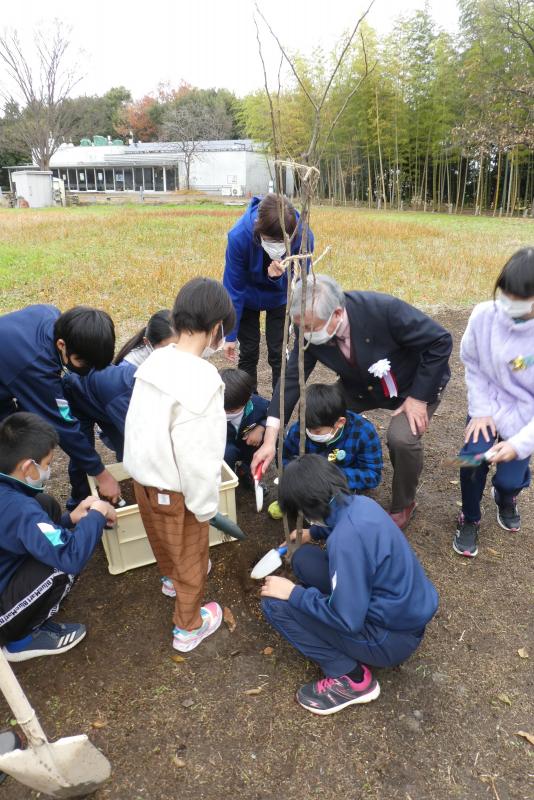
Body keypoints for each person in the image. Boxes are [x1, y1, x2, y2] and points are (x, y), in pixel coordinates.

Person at [252, 274, 452, 529]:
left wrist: (419, 398)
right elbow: (291, 380)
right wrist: (270, 440)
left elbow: (440, 341)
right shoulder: (310, 327)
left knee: (402, 438)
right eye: (301, 328)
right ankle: (320, 480)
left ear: (336, 314)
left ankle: (404, 504)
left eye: (311, 328)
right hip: (359, 387)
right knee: (318, 416)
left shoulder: (383, 310)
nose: (306, 335)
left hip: (413, 386)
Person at [261, 454, 438, 716]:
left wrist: (294, 593)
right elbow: (345, 525)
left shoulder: (345, 542)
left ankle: (351, 678)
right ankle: (332, 615)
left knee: (275, 604)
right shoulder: (363, 504)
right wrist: (313, 533)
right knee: (303, 558)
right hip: (402, 615)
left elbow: (347, 621)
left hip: (388, 639)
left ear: (308, 508)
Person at [124, 278, 236, 653]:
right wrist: (205, 508)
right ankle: (188, 627)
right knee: (193, 557)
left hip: (142, 479)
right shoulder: (203, 382)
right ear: (217, 325)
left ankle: (170, 578)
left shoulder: (157, 359)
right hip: (175, 490)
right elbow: (198, 457)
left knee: (161, 539)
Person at [0, 413, 116, 662]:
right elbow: (69, 555)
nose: (49, 470)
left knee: (45, 505)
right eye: (48, 463)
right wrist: (97, 513)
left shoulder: (9, 494)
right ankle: (21, 640)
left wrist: (69, 520)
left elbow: (32, 528)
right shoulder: (17, 508)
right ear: (28, 467)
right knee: (59, 566)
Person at [453, 248, 534, 558]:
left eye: (520, 298)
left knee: (511, 477)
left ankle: (506, 495)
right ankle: (470, 517)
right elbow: (472, 364)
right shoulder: (483, 315)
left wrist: (519, 444)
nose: (509, 303)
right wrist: (481, 410)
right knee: (473, 460)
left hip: (526, 415)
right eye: (505, 294)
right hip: (487, 404)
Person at [0, 304, 120, 503]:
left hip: (7, 373)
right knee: (12, 443)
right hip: (13, 369)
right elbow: (62, 426)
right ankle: (16, 506)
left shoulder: (52, 316)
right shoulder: (35, 366)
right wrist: (102, 474)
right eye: (83, 363)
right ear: (62, 345)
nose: (86, 370)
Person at [64, 310, 177, 505]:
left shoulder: (142, 378)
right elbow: (138, 437)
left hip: (101, 399)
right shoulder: (125, 388)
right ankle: (81, 501)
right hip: (83, 397)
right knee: (85, 450)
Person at [222, 193, 314, 391]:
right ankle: (248, 404)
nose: (277, 245)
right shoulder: (239, 236)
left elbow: (302, 282)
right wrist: (230, 335)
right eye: (271, 240)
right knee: (248, 351)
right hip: (247, 296)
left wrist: (278, 278)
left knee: (278, 352)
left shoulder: (303, 235)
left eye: (282, 241)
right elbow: (234, 289)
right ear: (258, 227)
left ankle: (277, 409)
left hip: (280, 296)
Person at [282, 382, 383, 492]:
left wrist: (332, 476)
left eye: (317, 431)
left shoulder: (363, 432)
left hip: (345, 488)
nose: (310, 433)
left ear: (340, 422)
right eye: (307, 428)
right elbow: (285, 459)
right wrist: (297, 472)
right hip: (308, 488)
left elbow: (372, 475)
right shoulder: (298, 430)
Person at [220, 368, 269, 487]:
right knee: (227, 453)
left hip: (248, 443)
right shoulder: (209, 411)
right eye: (222, 409)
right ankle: (227, 480)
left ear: (247, 400)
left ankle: (246, 471)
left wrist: (261, 428)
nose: (227, 414)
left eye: (231, 411)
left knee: (267, 438)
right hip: (224, 447)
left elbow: (272, 415)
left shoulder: (258, 405)